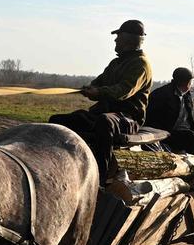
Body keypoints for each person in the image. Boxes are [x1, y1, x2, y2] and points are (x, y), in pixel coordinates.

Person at [49, 19, 153, 180]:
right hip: (103, 113)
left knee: (105, 122)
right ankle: (57, 166)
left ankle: (99, 177)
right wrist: (88, 88)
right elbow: (100, 82)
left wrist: (98, 92)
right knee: (58, 121)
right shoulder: (116, 63)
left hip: (128, 118)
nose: (115, 40)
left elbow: (123, 91)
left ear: (128, 40)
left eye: (119, 36)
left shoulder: (141, 65)